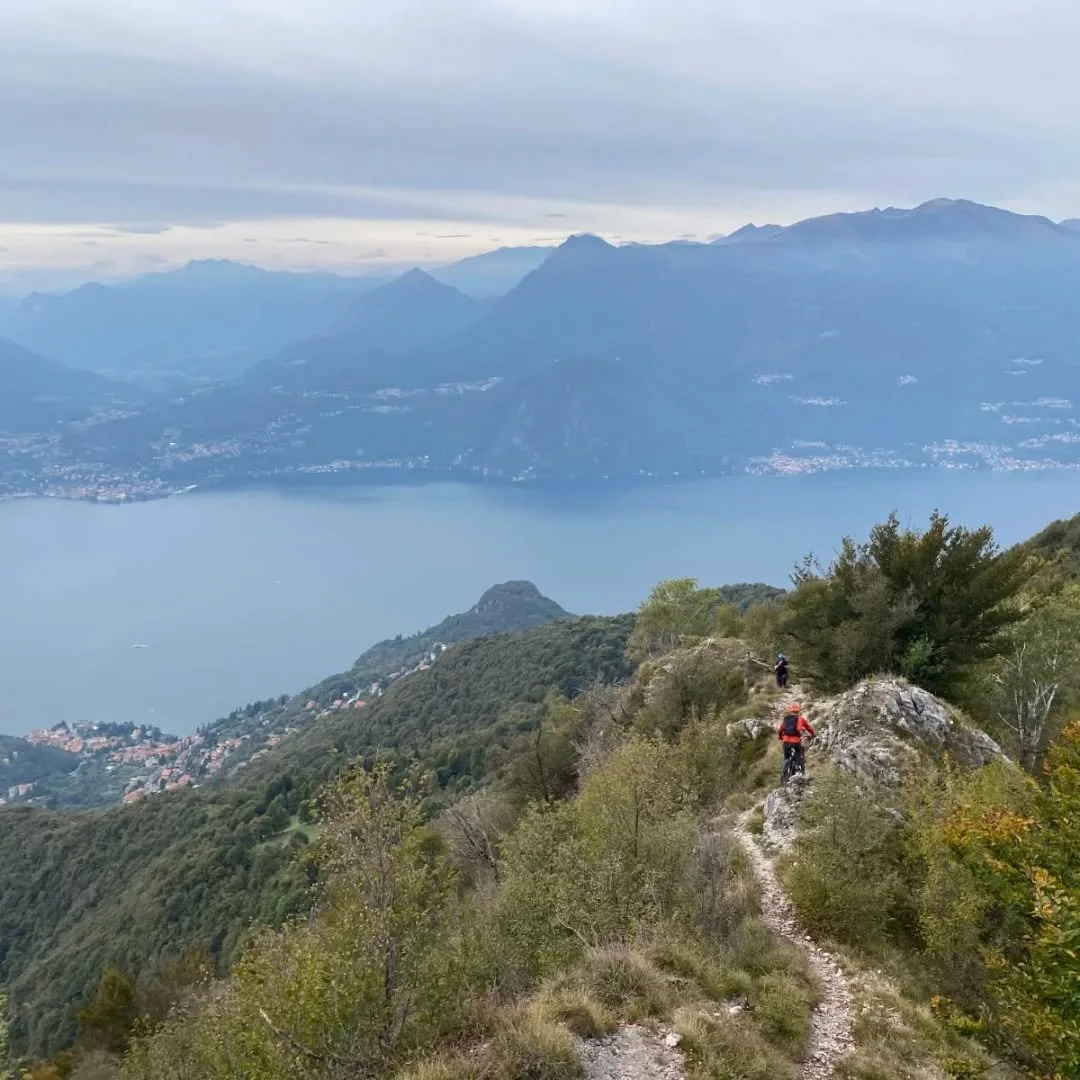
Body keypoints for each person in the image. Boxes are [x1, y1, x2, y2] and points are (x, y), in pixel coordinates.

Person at [778, 701, 815, 779]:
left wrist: (781, 737)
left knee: (786, 757)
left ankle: (784, 775)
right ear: (799, 711)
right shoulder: (800, 719)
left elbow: (780, 730)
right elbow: (808, 728)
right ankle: (799, 771)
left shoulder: (786, 719)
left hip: (786, 741)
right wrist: (812, 734)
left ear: (791, 711)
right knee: (798, 755)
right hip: (795, 741)